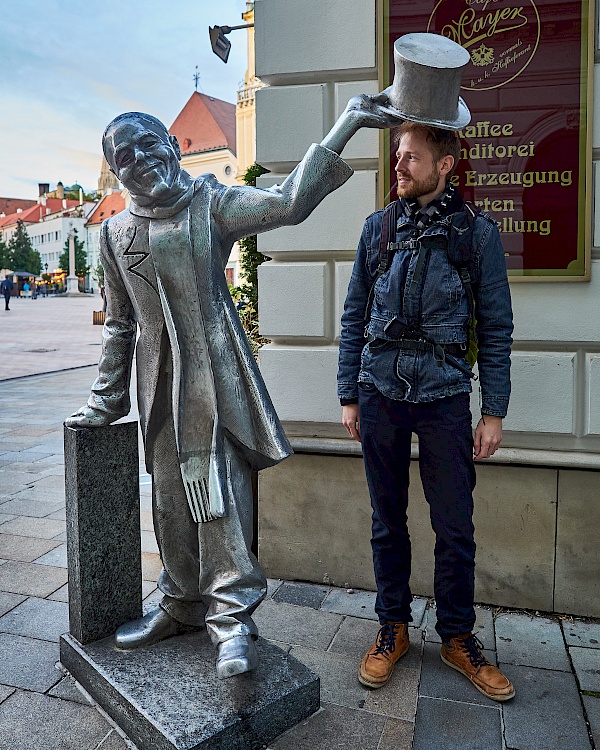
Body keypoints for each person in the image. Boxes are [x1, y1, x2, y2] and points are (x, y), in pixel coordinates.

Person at [65, 94, 403, 678]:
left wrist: (346, 123)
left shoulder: (212, 204)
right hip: (158, 392)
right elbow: (121, 323)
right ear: (116, 173)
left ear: (173, 147)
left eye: (150, 144)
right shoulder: (115, 233)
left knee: (219, 499)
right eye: (126, 156)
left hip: (217, 388)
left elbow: (287, 203)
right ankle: (180, 603)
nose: (141, 158)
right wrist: (104, 400)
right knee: (171, 506)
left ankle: (232, 621)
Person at [337, 122, 515, 701]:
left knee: (455, 527)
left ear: (445, 165)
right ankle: (392, 627)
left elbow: (496, 329)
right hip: (381, 393)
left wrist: (494, 410)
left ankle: (457, 637)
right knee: (387, 521)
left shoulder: (477, 237)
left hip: (443, 398)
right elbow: (354, 316)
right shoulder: (377, 229)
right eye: (398, 155)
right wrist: (350, 392)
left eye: (411, 157)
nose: (399, 165)